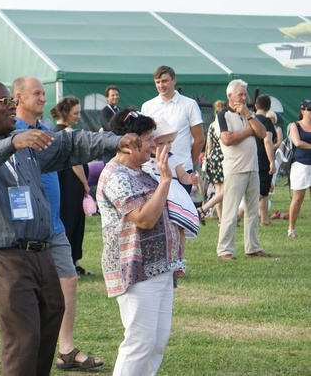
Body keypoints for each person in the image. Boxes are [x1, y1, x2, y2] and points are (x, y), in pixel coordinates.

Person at [0, 80, 135, 376]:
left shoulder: (24, 139)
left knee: (49, 325)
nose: (12, 107)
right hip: (3, 255)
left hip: (40, 251)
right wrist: (10, 144)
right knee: (22, 338)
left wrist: (114, 142)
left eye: (13, 101)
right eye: (5, 102)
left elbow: (70, 144)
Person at [12, 77, 103, 372]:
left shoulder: (46, 130)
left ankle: (65, 350)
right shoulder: (10, 132)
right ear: (18, 97)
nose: (42, 98)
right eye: (36, 93)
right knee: (30, 293)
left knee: (69, 279)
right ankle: (31, 352)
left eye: (43, 93)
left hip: (55, 224)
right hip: (26, 228)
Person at [97, 108, 183, 376]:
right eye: (148, 138)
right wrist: (166, 180)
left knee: (156, 343)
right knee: (139, 342)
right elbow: (144, 219)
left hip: (159, 267)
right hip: (136, 270)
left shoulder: (142, 171)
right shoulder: (115, 175)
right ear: (128, 142)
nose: (154, 144)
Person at [216, 79, 270, 260]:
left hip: (252, 168)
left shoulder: (249, 114)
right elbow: (227, 139)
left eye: (244, 94)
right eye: (240, 94)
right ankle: (224, 250)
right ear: (230, 96)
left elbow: (262, 134)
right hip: (234, 169)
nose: (243, 97)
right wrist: (248, 131)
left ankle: (253, 247)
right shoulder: (223, 114)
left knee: (253, 211)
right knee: (230, 211)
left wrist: (248, 115)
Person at [142, 117, 200, 278]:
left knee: (178, 227)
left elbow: (182, 176)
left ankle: (178, 261)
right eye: (161, 143)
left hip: (175, 196)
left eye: (169, 142)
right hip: (157, 196)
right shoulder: (146, 161)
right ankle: (162, 261)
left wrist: (190, 179)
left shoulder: (173, 158)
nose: (166, 147)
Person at [141, 65, 205, 193]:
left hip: (182, 168)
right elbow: (144, 138)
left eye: (164, 81)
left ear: (174, 80)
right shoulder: (148, 106)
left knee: (179, 211)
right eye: (157, 82)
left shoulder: (189, 104)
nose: (161, 85)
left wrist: (188, 163)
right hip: (154, 168)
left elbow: (199, 139)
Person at [48, 96, 91, 275]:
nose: (78, 116)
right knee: (72, 221)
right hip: (71, 184)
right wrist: (85, 183)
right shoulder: (67, 133)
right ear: (66, 113)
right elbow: (75, 163)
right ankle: (71, 261)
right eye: (75, 113)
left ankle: (73, 261)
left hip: (62, 183)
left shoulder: (54, 131)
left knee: (68, 219)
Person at [286, 99, 311, 238]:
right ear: (302, 111)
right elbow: (297, 142)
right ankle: (291, 229)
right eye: (309, 109)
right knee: (297, 199)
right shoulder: (295, 125)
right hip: (300, 164)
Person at [198, 100, 227, 222]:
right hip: (224, 157)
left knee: (218, 190)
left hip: (213, 158)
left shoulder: (211, 125)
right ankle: (221, 216)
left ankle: (221, 219)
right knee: (226, 190)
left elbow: (208, 145)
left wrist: (208, 158)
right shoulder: (225, 124)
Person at [254, 95, 277, 226]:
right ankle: (239, 214)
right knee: (262, 191)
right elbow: (267, 141)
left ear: (256, 105)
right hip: (263, 159)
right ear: (269, 107)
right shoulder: (267, 122)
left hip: (250, 157)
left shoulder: (250, 120)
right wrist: (272, 162)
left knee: (264, 190)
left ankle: (264, 219)